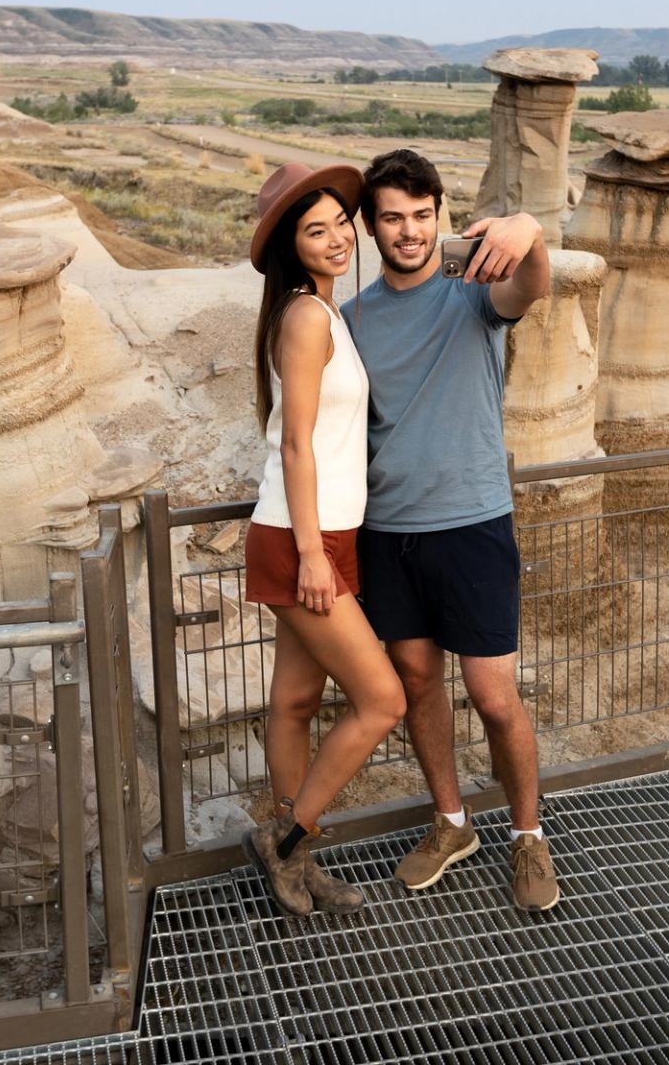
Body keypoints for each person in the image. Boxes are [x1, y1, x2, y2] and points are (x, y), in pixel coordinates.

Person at [342, 148, 559, 911]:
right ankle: (451, 820)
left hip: (472, 525)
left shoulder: (474, 295)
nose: (409, 231)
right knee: (419, 684)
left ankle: (528, 837)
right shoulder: (353, 319)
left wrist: (529, 227)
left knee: (494, 695)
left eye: (422, 215)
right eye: (393, 218)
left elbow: (532, 283)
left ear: (440, 216)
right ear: (372, 227)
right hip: (389, 533)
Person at [239, 161, 407, 918]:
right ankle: (284, 843)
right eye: (318, 230)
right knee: (382, 699)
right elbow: (296, 445)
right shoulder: (306, 317)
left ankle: (295, 861)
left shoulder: (327, 312)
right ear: (291, 247)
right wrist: (311, 552)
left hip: (324, 530)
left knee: (298, 701)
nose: (339, 237)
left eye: (343, 222)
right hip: (299, 537)